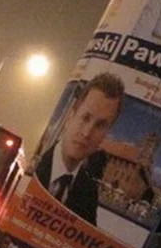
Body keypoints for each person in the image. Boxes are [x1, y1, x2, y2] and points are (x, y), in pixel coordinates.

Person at [34, 72, 125, 224]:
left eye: (100, 125)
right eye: (85, 117)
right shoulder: (35, 166)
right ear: (71, 116)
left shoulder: (89, 193)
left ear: (105, 135)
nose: (87, 133)